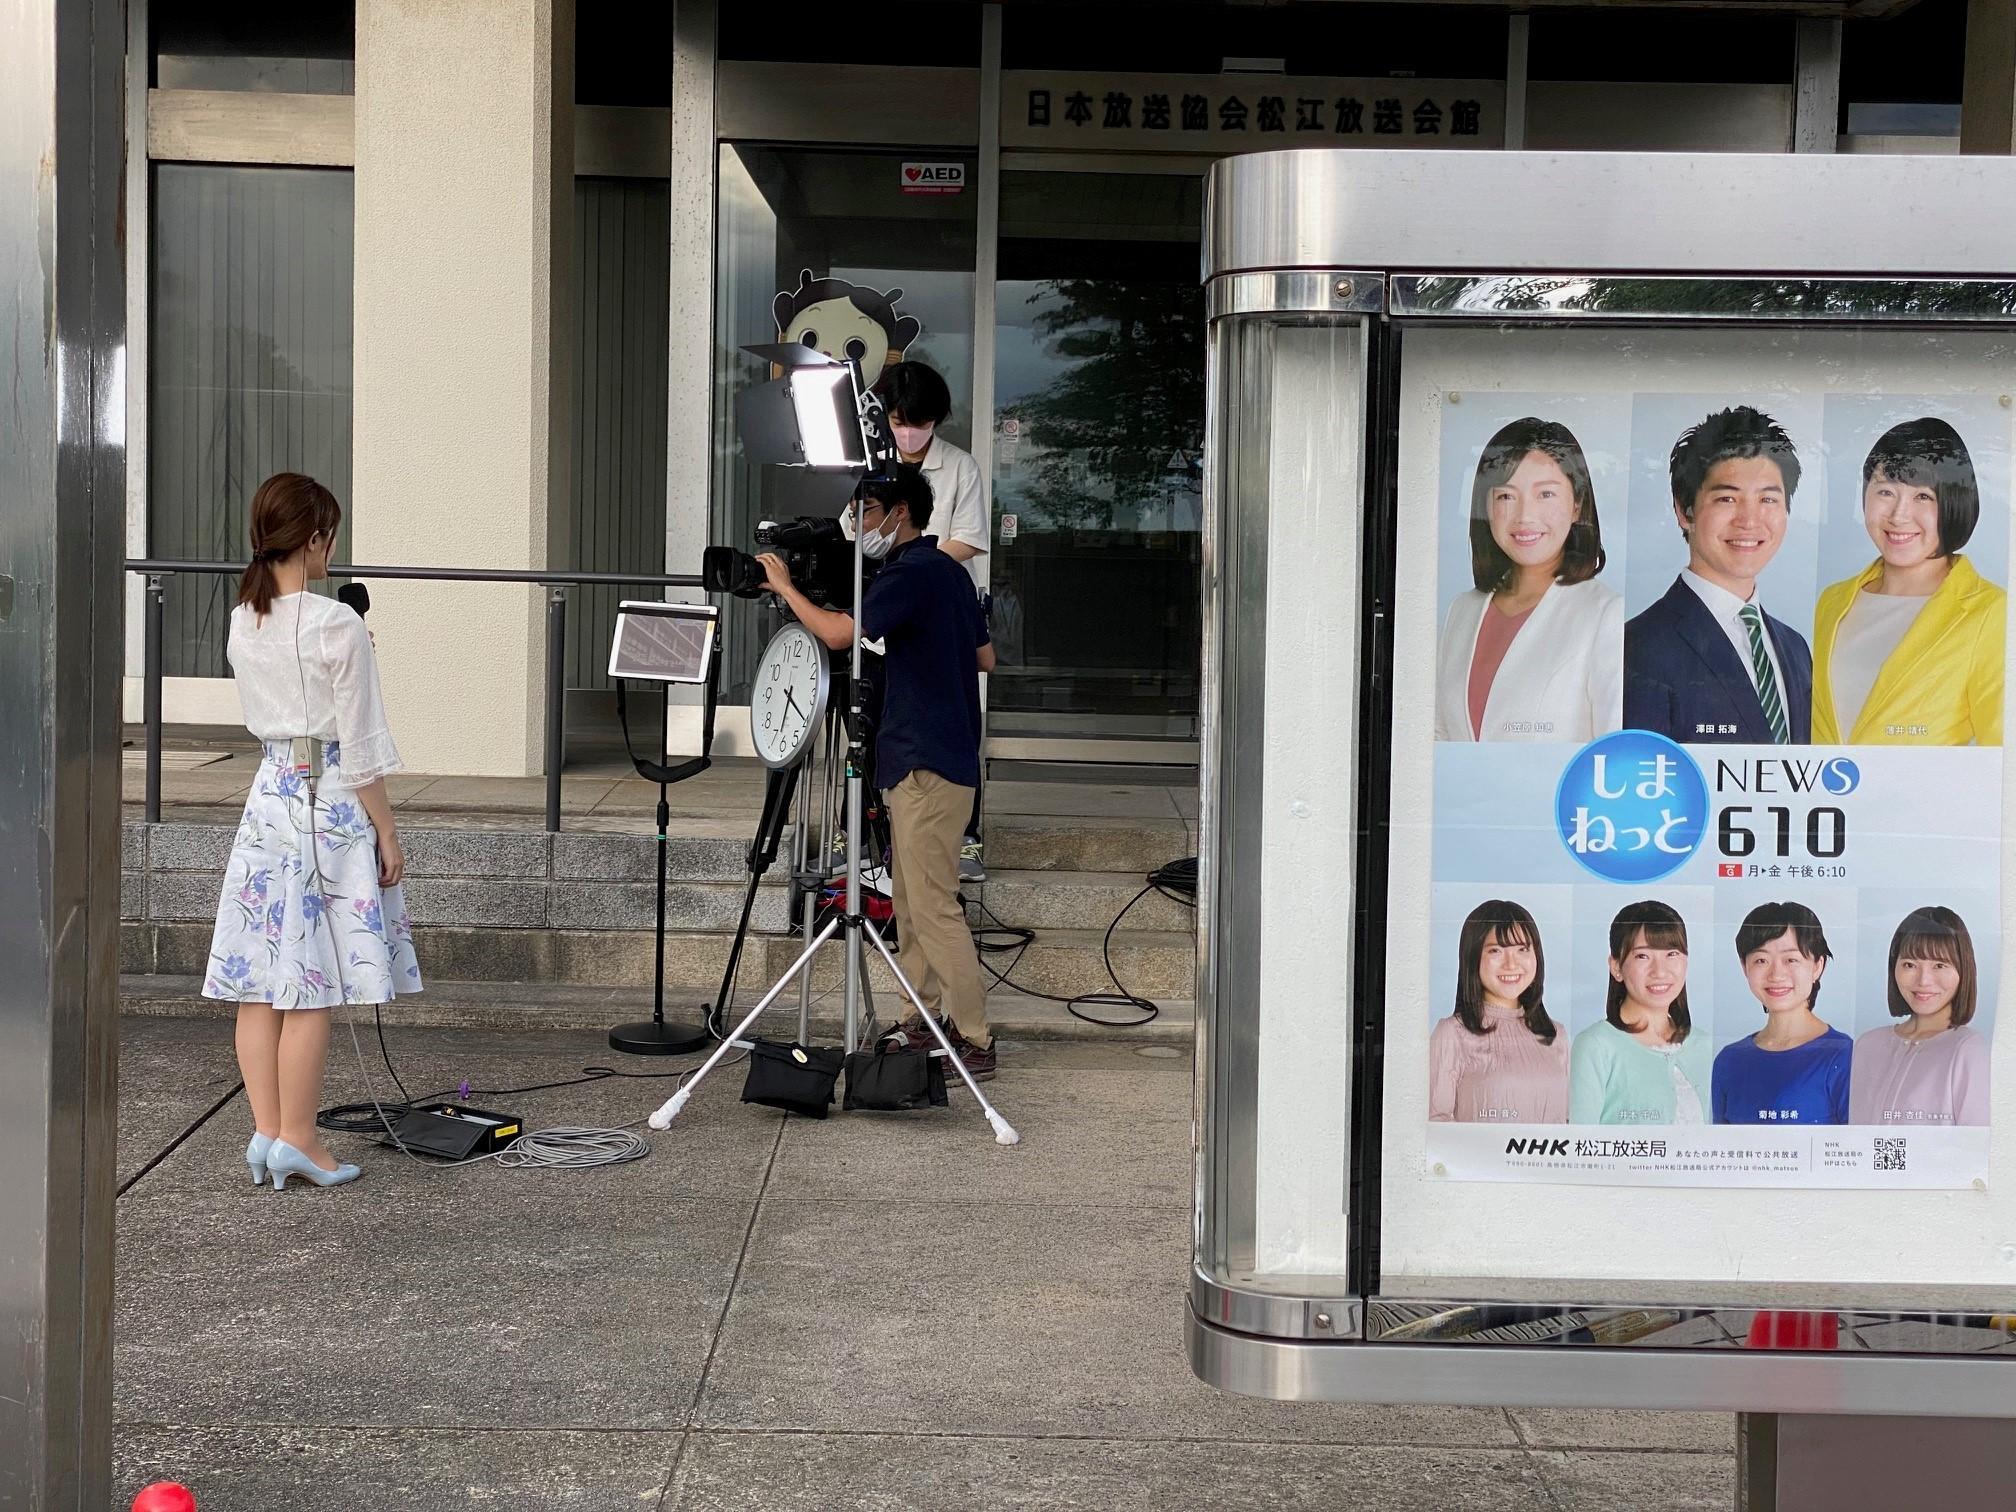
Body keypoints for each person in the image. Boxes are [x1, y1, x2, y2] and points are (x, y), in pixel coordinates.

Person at [200, 473, 420, 1191]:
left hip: (268, 796)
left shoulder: (243, 617)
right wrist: (388, 833)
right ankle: (300, 1137)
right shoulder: (338, 624)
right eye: (331, 533)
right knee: (312, 983)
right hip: (326, 801)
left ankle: (269, 1132)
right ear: (315, 535)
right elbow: (360, 749)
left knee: (260, 981)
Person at [760, 464, 1000, 1080]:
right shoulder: (950, 572)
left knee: (932, 903)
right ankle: (921, 1020)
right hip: (941, 755)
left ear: (899, 513)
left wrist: (788, 589)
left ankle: (972, 1038)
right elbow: (985, 657)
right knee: (914, 902)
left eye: (865, 513)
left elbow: (840, 635)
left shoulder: (910, 572)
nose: (857, 524)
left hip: (921, 758)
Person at [1624, 406, 1813, 745]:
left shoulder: (1795, 648)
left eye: (1768, 499)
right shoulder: (1637, 647)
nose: (1749, 520)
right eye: (1727, 498)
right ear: (1685, 511)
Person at [1811, 418, 2005, 746]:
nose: (1899, 515)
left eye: (1923, 497)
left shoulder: (1990, 613)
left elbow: (2003, 761)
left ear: (1954, 502)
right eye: (1886, 491)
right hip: (1827, 798)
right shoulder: (1833, 601)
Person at [1435, 418, 1622, 743]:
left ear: (1577, 505)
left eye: (1545, 494)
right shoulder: (1461, 611)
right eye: (1506, 497)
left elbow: (1612, 753)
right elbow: (1438, 737)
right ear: (1486, 508)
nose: (1524, 516)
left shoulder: (1605, 614)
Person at [878, 361, 991, 882]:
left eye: (918, 422)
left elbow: (968, 537)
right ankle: (867, 831)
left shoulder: (960, 466)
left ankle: (967, 835)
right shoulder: (872, 464)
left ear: (936, 420)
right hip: (890, 606)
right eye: (899, 420)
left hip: (941, 606)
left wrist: (918, 567)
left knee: (957, 719)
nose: (908, 432)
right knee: (878, 722)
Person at [1570, 900, 1711, 1125]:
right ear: (1616, 966)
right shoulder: (1595, 1045)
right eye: (1642, 956)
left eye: (1671, 954)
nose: (1660, 971)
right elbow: (1581, 1146)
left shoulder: (1704, 1045)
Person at [1428, 900, 1570, 1122]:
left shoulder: (1556, 1035)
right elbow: (1436, 1123)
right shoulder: (1452, 1034)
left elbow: (1567, 1124)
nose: (1511, 964)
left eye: (1522, 949)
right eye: (1496, 951)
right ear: (1472, 958)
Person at [1711, 902, 1851, 1125]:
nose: (1776, 974)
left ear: (1817, 966)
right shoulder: (1729, 1060)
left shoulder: (1844, 1056)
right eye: (1761, 960)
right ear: (1744, 966)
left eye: (1791, 960)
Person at [1850, 906, 1992, 1127]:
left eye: (1939, 965)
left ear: (1963, 970)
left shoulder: (1967, 1049)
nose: (1923, 980)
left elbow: (1975, 1151)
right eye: (1910, 964)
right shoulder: (1867, 1045)